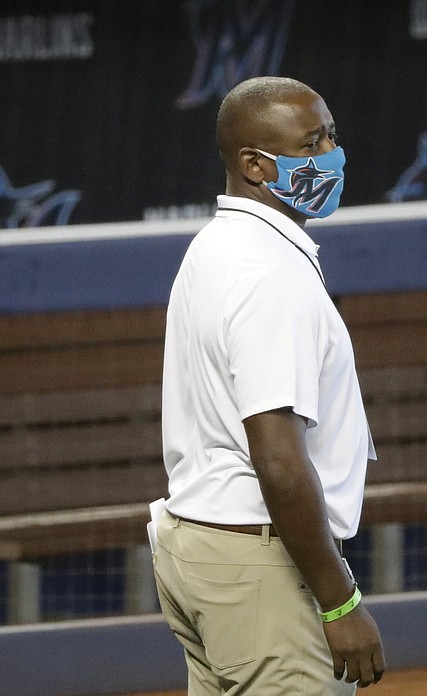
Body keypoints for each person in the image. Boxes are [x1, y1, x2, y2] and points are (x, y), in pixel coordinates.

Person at [154, 76, 385, 694]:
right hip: (257, 564)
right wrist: (339, 604)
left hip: (198, 547)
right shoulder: (267, 273)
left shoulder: (216, 244)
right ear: (256, 165)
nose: (331, 154)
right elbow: (279, 460)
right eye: (311, 144)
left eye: (331, 133)